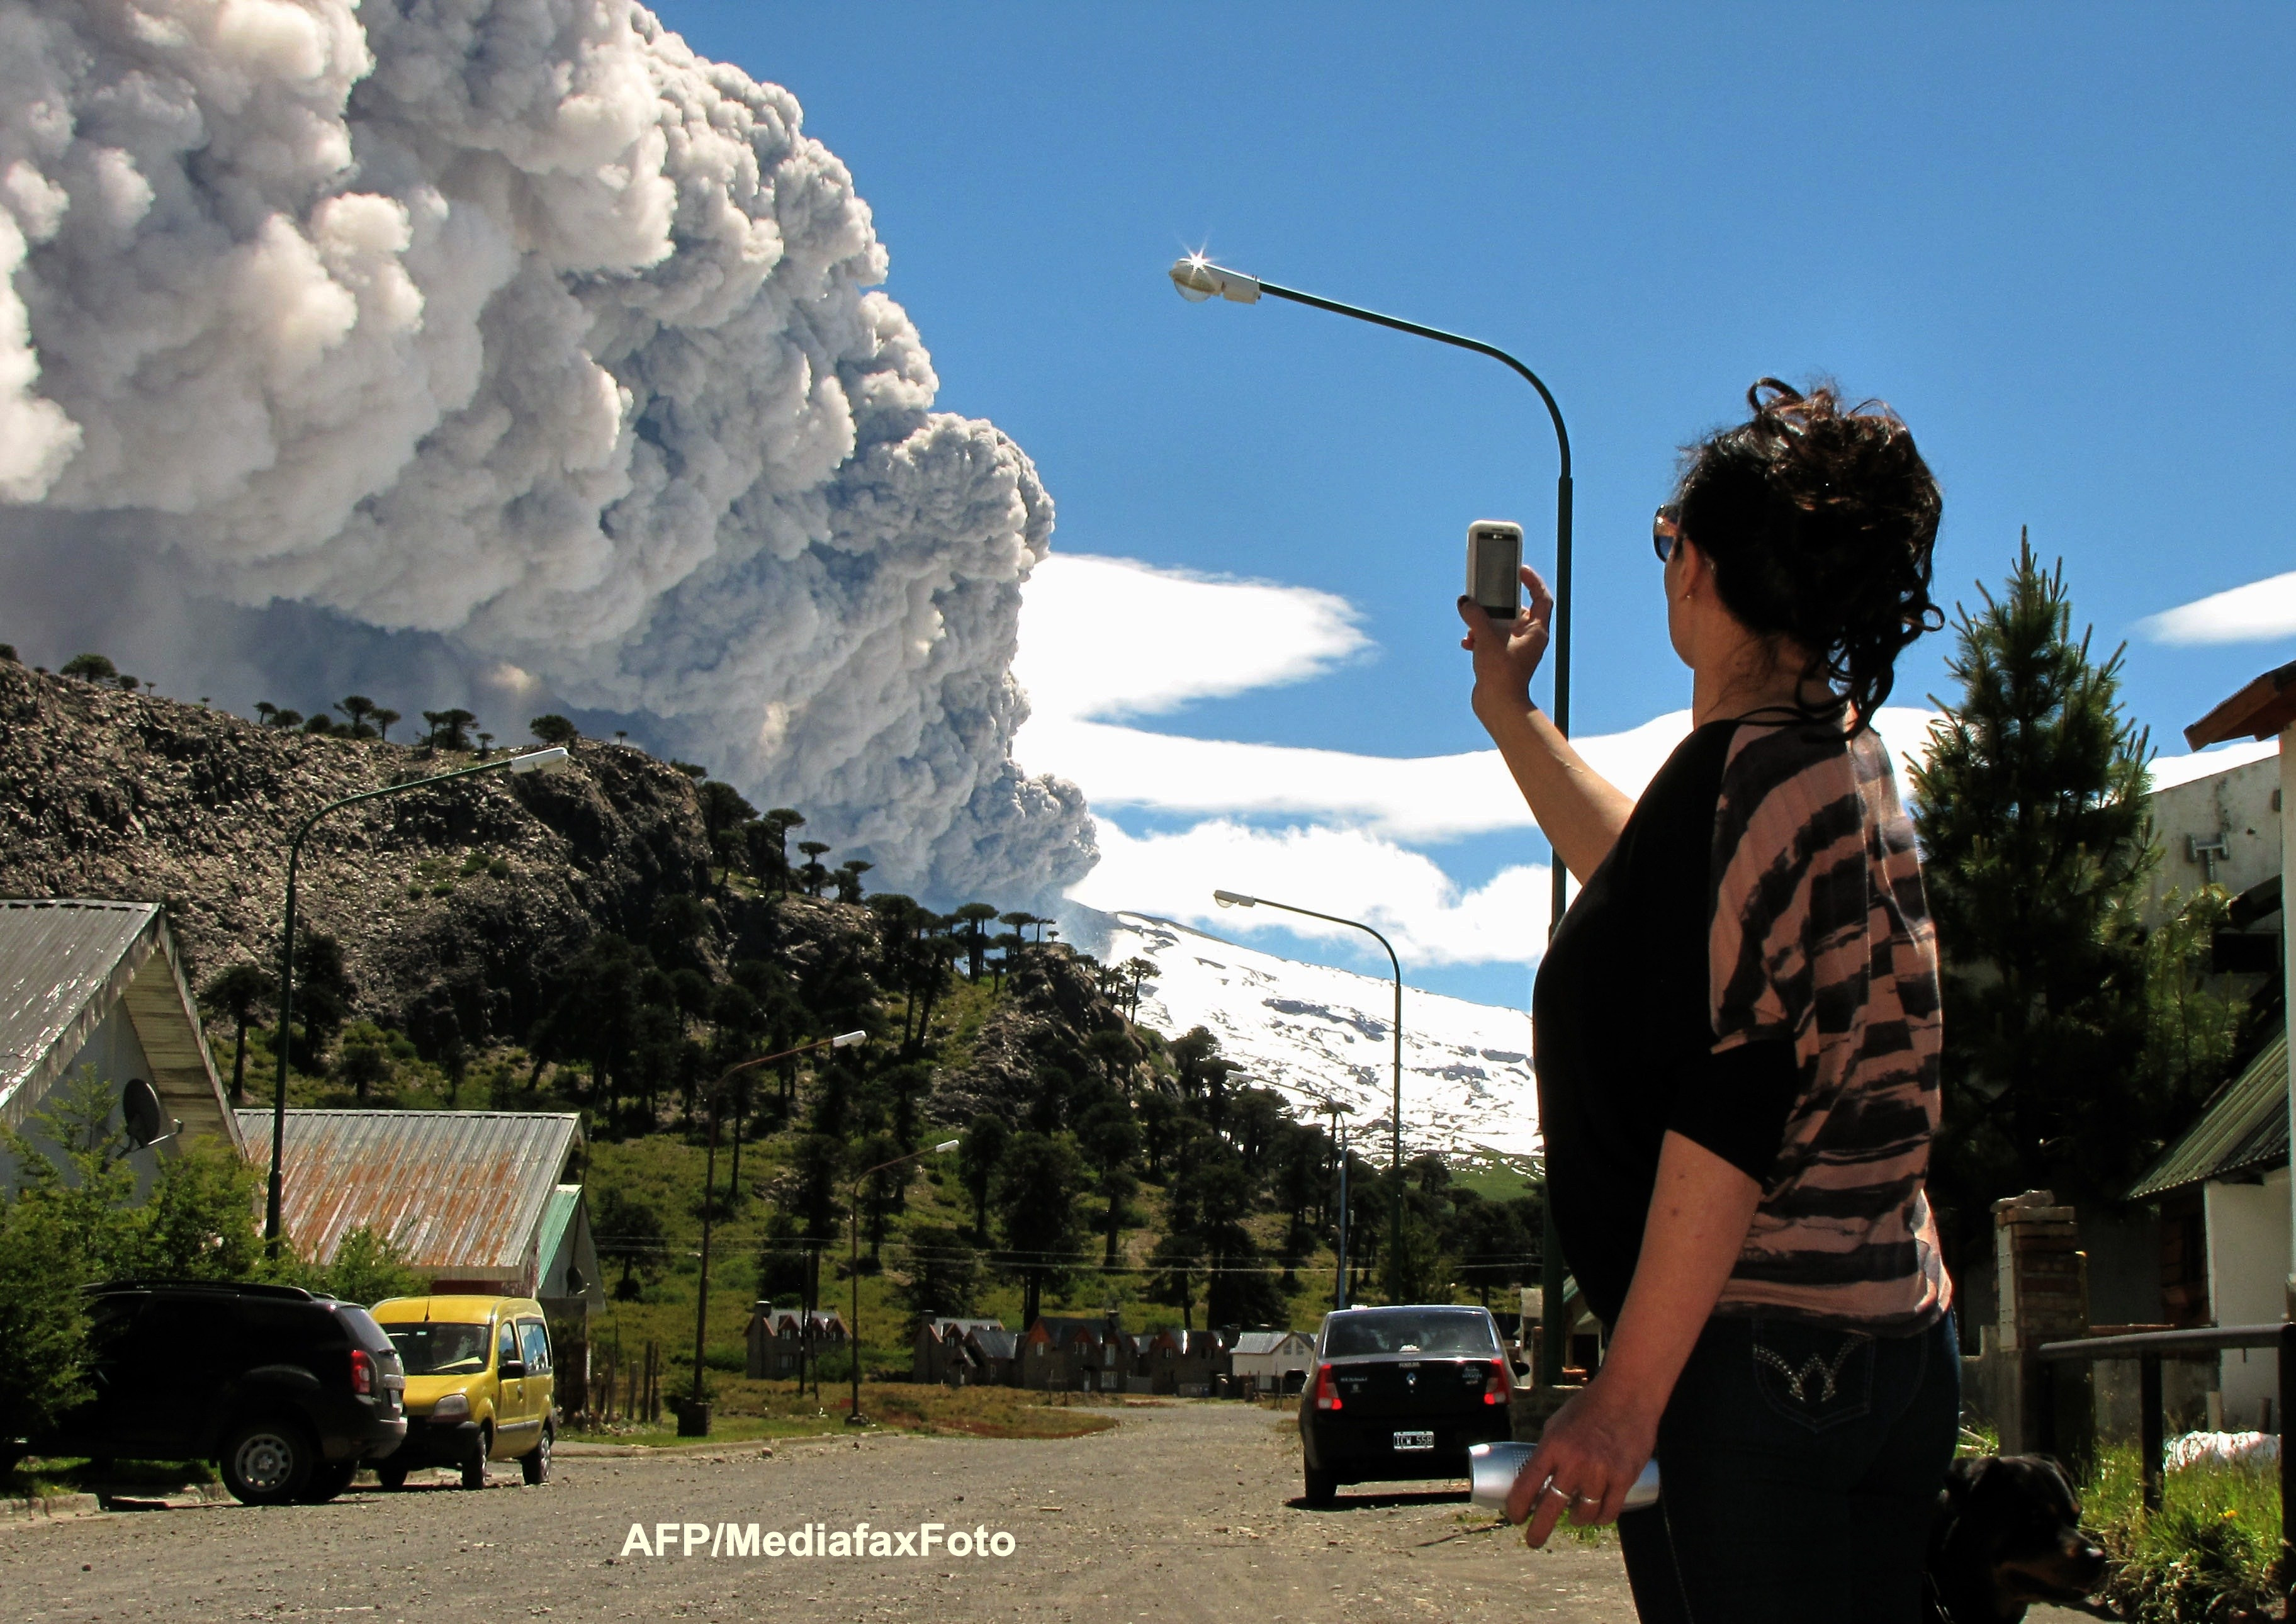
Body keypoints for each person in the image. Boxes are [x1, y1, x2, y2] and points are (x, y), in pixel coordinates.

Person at [1463, 380, 1955, 1622]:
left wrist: (1623, 1400)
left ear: (1713, 571)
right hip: (1886, 1335)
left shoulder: (1753, 785)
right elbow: (1655, 892)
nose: (1666, 562)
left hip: (1761, 1368)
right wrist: (1510, 714)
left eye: (1670, 538)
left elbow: (1736, 1099)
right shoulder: (1821, 760)